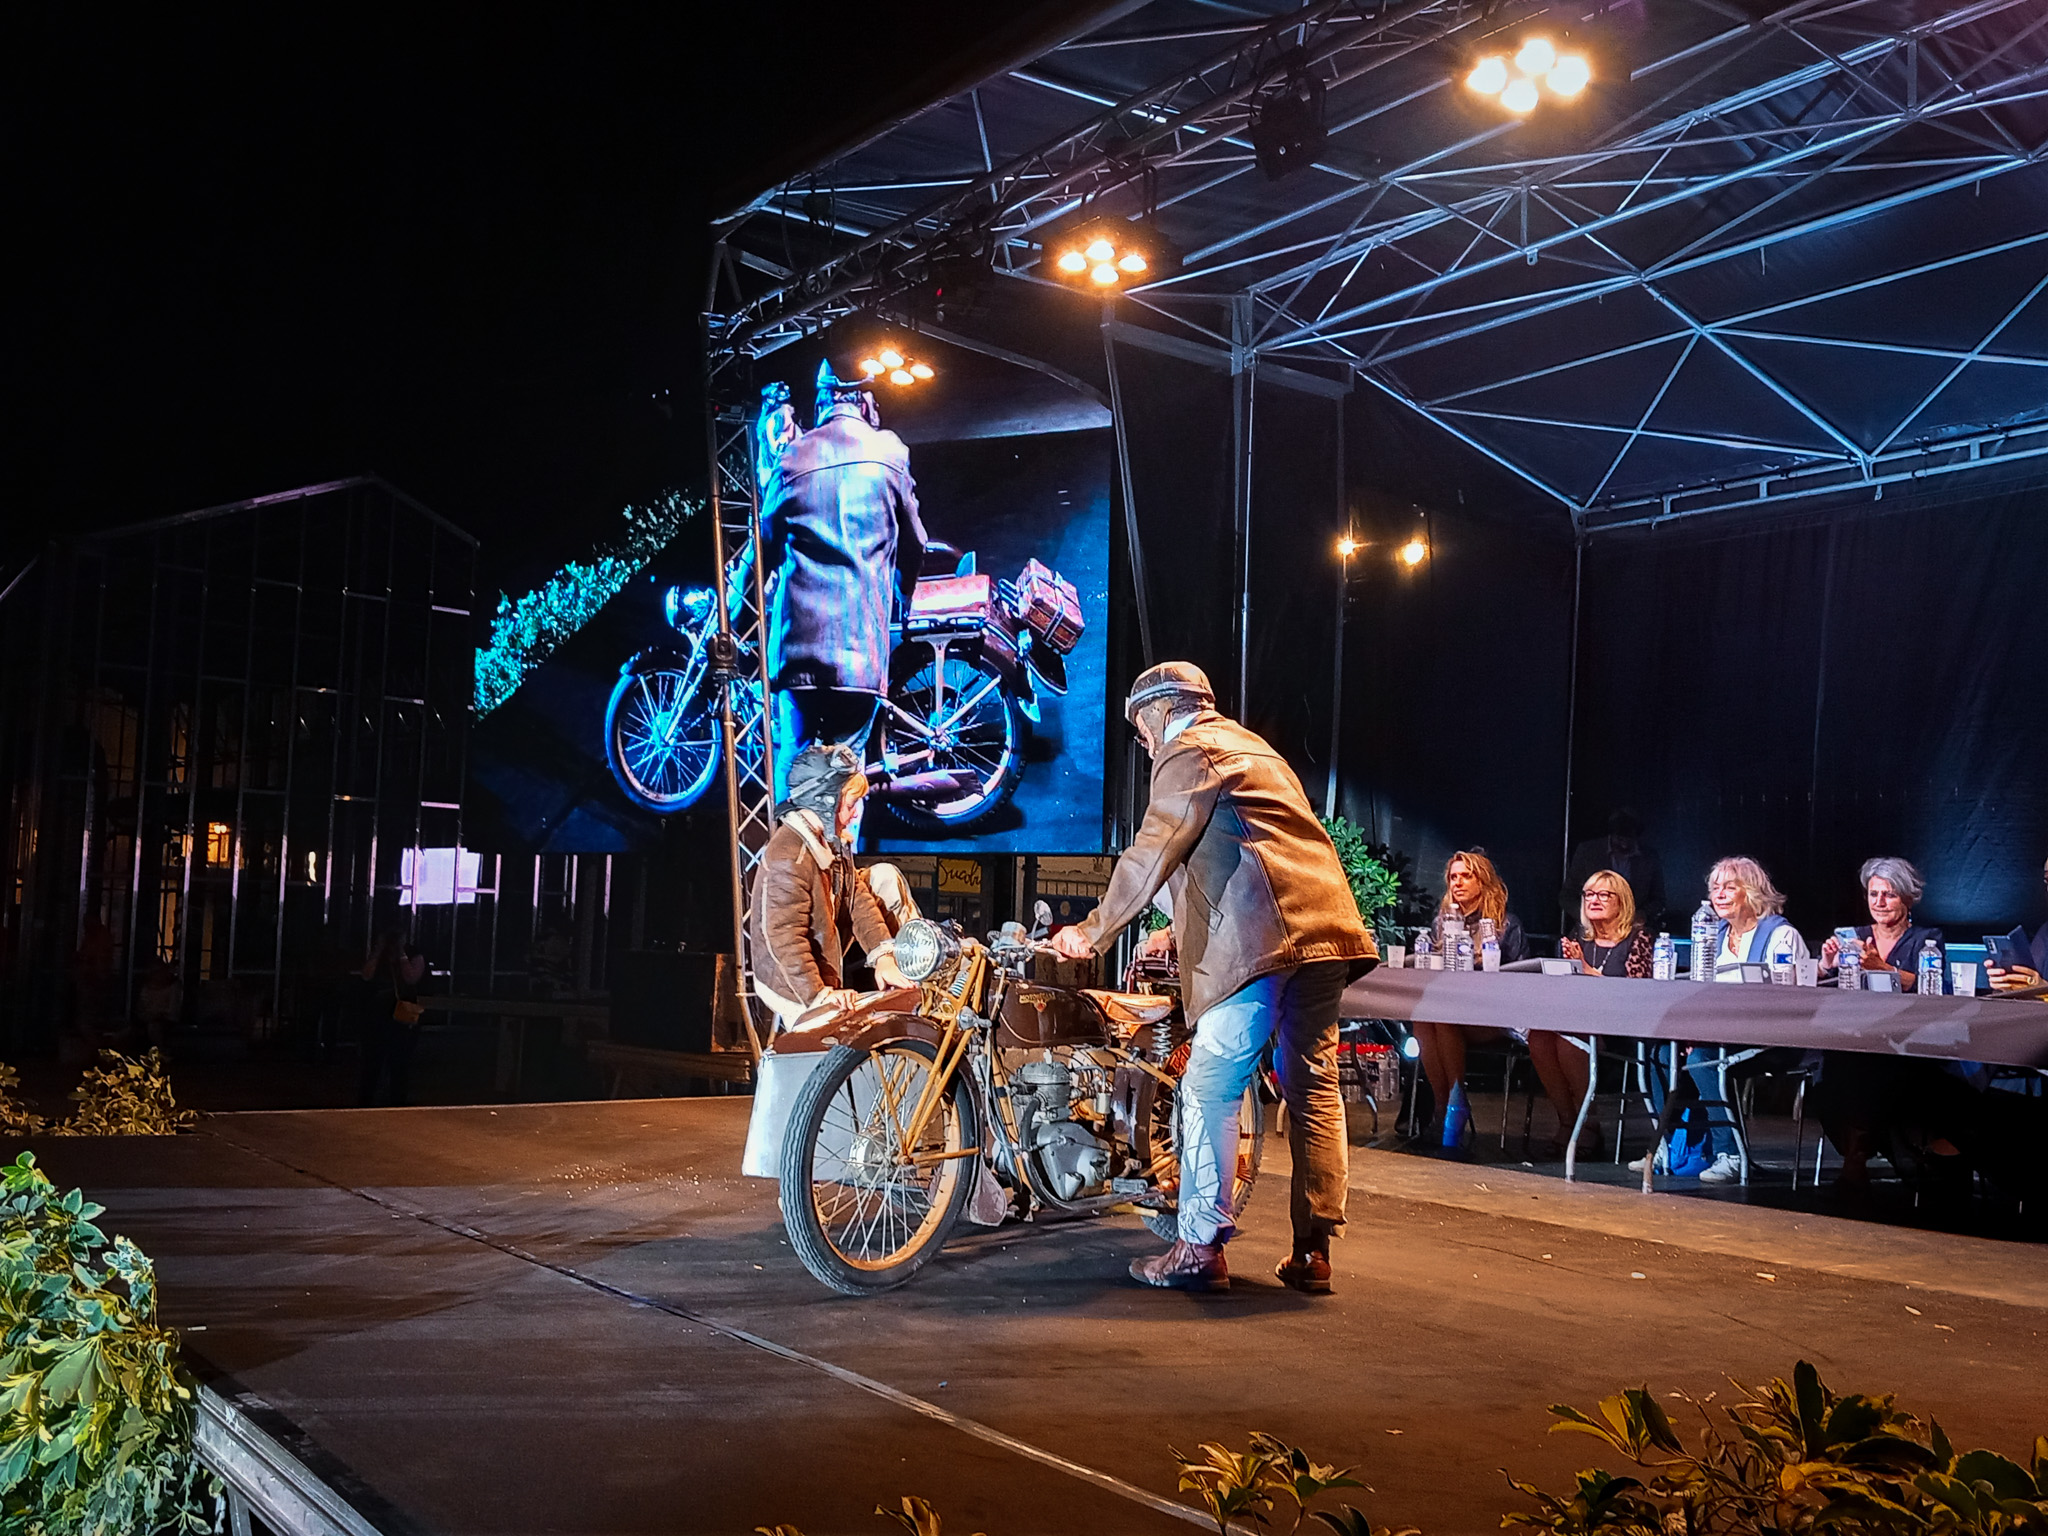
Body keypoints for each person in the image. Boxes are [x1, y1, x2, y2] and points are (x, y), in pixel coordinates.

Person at [1049, 662, 1377, 1295]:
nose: (1142, 743)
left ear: (1157, 713)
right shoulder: (1256, 750)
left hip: (1260, 942)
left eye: (1140, 728)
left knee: (1210, 1086)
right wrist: (1176, 923)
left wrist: (1092, 930)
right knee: (1313, 1085)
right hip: (1324, 932)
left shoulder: (1186, 748)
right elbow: (1242, 848)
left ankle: (1198, 1248)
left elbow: (1154, 848)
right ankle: (1312, 1252)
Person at [759, 362, 929, 804]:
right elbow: (917, 543)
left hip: (798, 656)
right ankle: (832, 865)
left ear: (821, 403)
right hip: (859, 655)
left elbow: (765, 548)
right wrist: (903, 596)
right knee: (843, 784)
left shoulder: (793, 457)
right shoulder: (890, 453)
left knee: (793, 768)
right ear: (866, 400)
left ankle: (785, 862)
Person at [1630, 856, 1810, 1184]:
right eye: (1715, 888)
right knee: (1659, 1053)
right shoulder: (1712, 934)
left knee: (1702, 1058)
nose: (1720, 894)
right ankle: (1666, 1146)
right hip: (1716, 1032)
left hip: (1771, 1036)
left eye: (1729, 887)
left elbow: (1789, 1002)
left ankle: (1730, 1154)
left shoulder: (1780, 935)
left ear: (1752, 891)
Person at [748, 743, 907, 1029]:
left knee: (884, 876)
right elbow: (785, 942)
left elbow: (857, 897)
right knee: (838, 1032)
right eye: (849, 805)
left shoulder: (834, 840)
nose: (856, 814)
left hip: (823, 939)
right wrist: (820, 995)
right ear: (824, 801)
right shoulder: (789, 858)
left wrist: (883, 954)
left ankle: (918, 963)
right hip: (790, 980)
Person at [1409, 850, 1527, 1146]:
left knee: (1444, 1020)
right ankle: (1445, 1105)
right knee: (1424, 1020)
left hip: (1496, 1013)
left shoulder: (1506, 925)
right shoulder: (1442, 924)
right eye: (1453, 877)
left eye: (1466, 876)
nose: (1457, 883)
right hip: (1452, 1011)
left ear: (1483, 881)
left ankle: (1454, 1106)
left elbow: (1520, 980)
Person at [1537, 869, 1652, 1151]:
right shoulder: (1577, 939)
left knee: (1569, 1040)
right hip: (1574, 1020)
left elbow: (1636, 994)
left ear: (1622, 902)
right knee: (1538, 1036)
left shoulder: (1639, 939)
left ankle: (1589, 1124)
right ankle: (1567, 1120)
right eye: (1589, 894)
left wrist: (1585, 969)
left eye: (1603, 894)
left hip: (1620, 1028)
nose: (1594, 900)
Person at [1818, 857, 1943, 989]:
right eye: (1873, 894)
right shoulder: (1854, 937)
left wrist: (1881, 967)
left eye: (1889, 895)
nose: (1879, 903)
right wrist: (1826, 965)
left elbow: (1925, 986)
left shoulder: (1926, 940)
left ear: (1908, 899)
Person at [1561, 809, 1666, 935]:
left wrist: (1642, 915)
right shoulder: (1588, 852)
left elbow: (1659, 900)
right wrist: (1587, 917)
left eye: (1629, 838)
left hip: (1633, 931)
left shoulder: (1649, 858)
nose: (1624, 845)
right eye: (1620, 838)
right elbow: (1566, 896)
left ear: (1637, 835)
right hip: (1590, 932)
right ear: (1611, 834)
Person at [357, 926, 428, 1107]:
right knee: (372, 1059)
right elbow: (366, 975)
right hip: (378, 1014)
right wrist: (379, 950)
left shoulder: (414, 955)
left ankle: (397, 1099)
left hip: (401, 1014)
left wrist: (402, 953)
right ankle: (366, 1099)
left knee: (400, 1061)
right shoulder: (379, 956)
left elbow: (411, 978)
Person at [1986, 854, 2047, 996]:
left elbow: (2040, 988)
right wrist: (2010, 986)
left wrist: (2043, 991)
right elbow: (2031, 984)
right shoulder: (2046, 933)